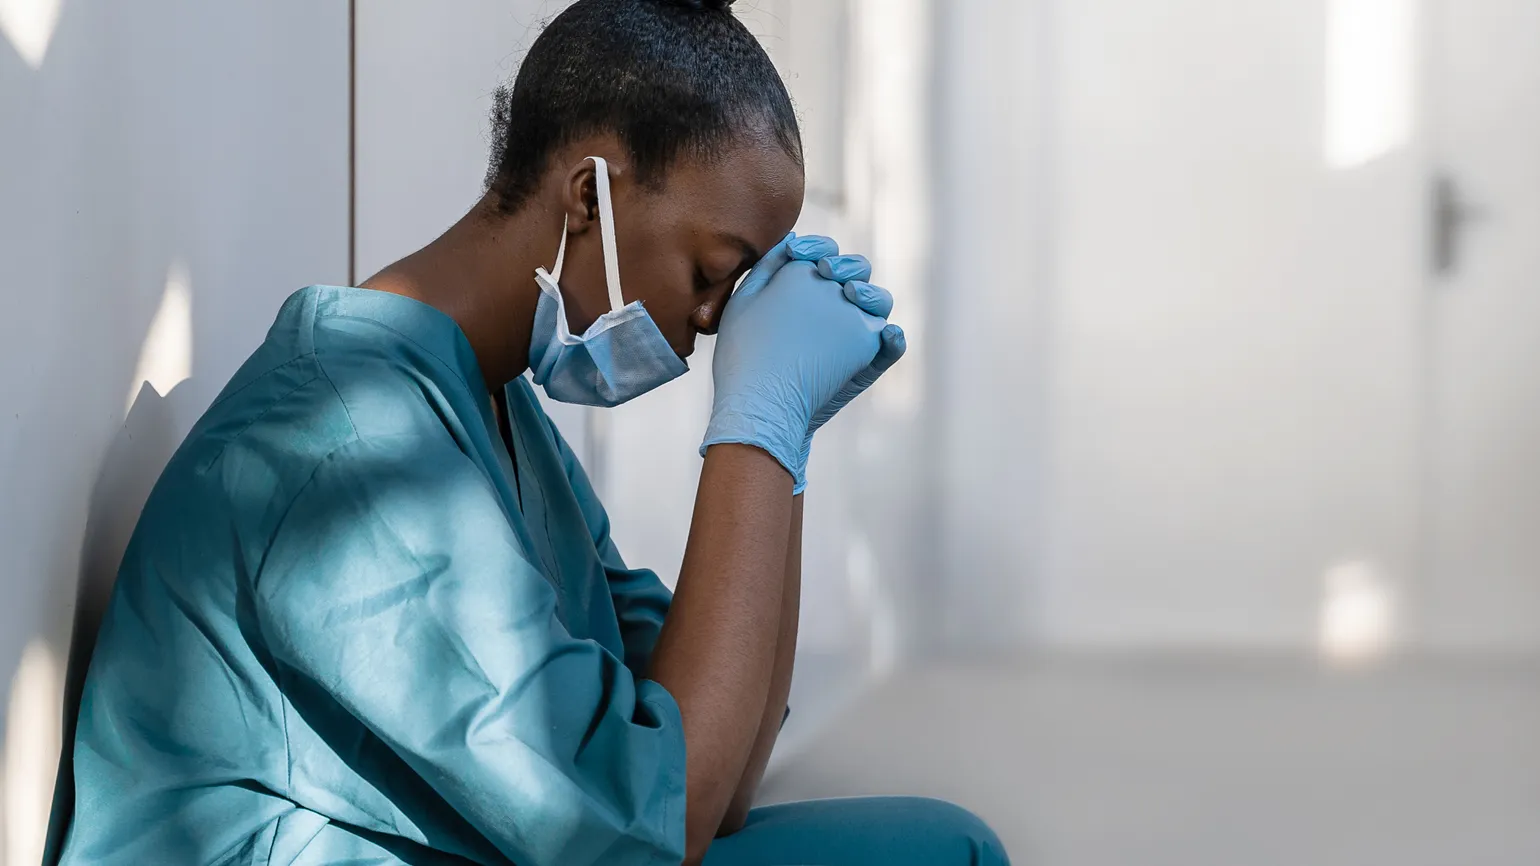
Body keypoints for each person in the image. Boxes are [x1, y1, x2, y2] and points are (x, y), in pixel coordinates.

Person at [52, 1, 1010, 864]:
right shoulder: (346, 445)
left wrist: (786, 441)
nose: (719, 325)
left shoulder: (500, 414)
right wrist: (755, 423)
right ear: (589, 196)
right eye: (716, 272)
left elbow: (720, 774)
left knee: (937, 844)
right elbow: (655, 823)